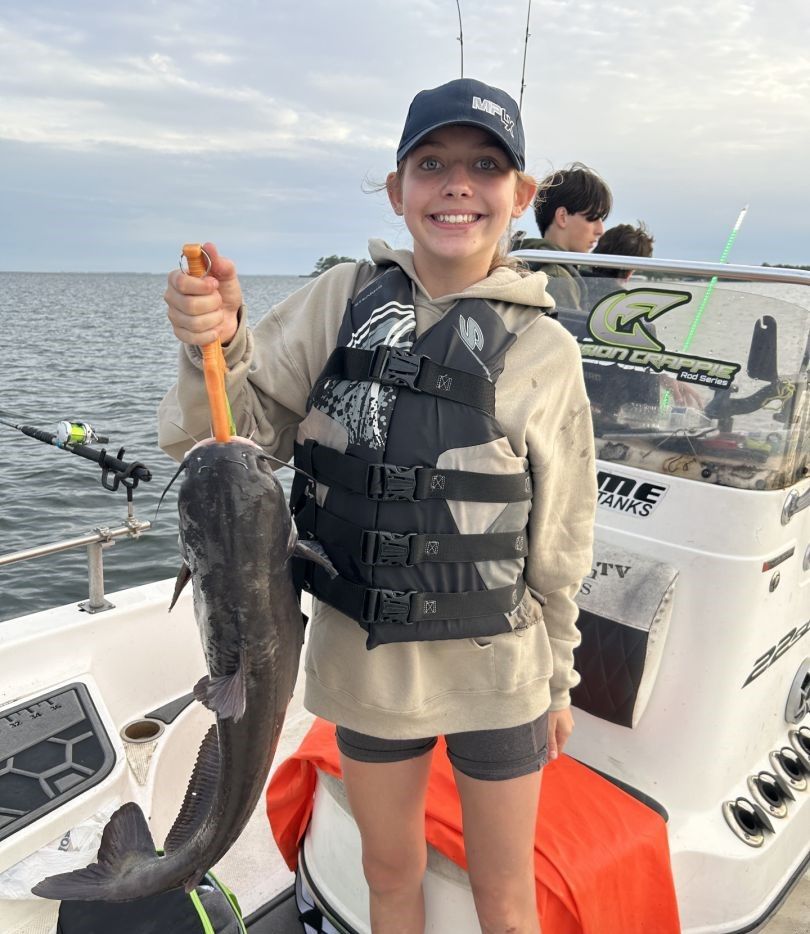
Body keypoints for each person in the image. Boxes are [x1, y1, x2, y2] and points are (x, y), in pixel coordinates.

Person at [160, 77, 597, 934]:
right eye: (431, 164)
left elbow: (562, 534)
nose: (458, 185)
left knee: (508, 902)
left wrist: (558, 678)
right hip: (368, 665)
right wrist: (215, 339)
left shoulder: (546, 346)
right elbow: (233, 438)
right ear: (398, 191)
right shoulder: (338, 301)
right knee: (388, 875)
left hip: (501, 667)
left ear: (521, 196)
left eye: (485, 166)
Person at [512, 162, 612, 310]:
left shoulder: (523, 262)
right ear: (562, 216)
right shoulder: (557, 278)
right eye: (592, 218)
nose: (600, 230)